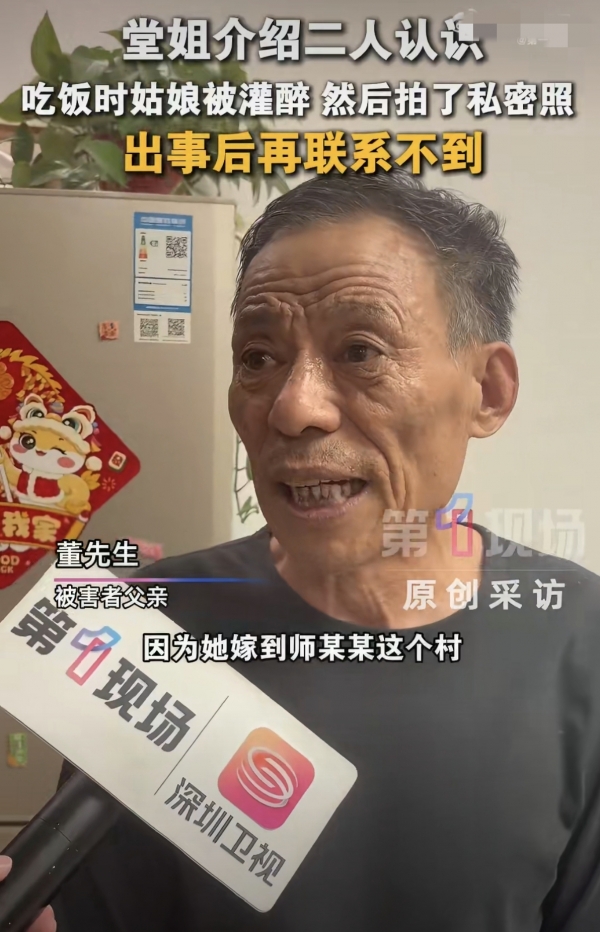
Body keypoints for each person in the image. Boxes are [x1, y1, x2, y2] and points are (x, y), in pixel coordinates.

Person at [3, 169, 600, 931]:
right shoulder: (148, 627)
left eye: (360, 350)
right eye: (258, 358)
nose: (294, 408)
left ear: (487, 390)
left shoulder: (578, 638)